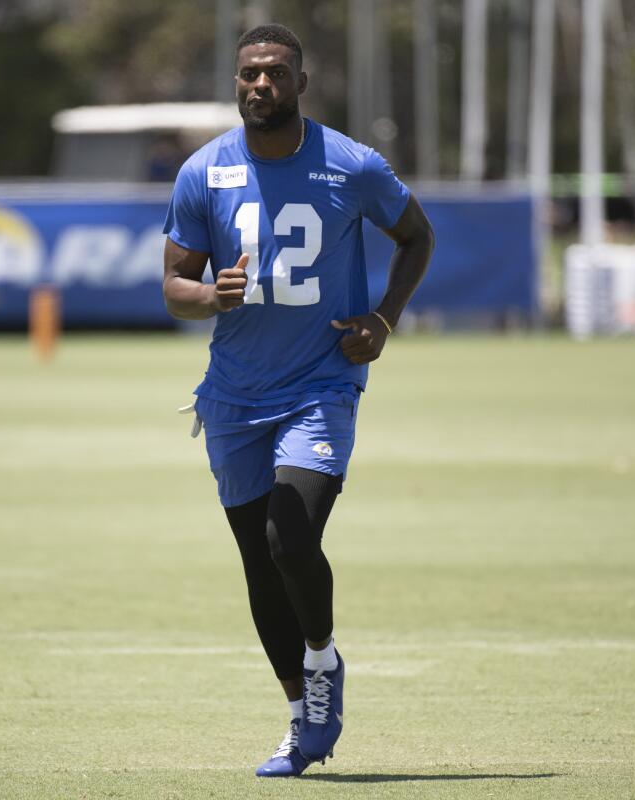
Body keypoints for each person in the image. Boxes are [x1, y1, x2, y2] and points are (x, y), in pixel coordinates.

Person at [161, 23, 434, 778]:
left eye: (276, 73)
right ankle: (297, 715)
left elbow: (417, 237)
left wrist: (384, 319)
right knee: (259, 563)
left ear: (301, 84)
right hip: (233, 397)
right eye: (249, 73)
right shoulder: (203, 173)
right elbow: (174, 287)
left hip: (321, 386)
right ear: (235, 81)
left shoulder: (351, 164)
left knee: (290, 536)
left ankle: (323, 664)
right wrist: (206, 295)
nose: (260, 85)